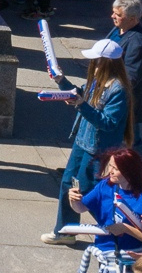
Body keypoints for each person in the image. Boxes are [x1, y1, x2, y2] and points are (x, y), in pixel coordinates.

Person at [44, 39, 132, 242]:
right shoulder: (97, 80)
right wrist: (61, 82)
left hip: (99, 150)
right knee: (68, 185)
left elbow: (108, 122)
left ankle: (115, 233)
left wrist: (81, 105)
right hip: (83, 143)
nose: (92, 63)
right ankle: (65, 231)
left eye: (96, 60)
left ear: (105, 62)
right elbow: (80, 94)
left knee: (90, 193)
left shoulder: (118, 90)